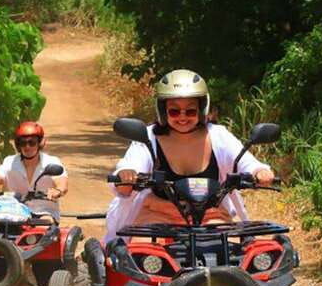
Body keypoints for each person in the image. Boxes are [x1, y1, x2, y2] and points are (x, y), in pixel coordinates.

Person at [104, 69, 274, 243]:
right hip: (157, 217)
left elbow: (245, 161)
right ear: (163, 110)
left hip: (210, 218)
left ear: (202, 109)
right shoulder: (148, 138)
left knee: (233, 252)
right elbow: (132, 164)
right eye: (174, 111)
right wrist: (127, 175)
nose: (183, 117)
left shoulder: (219, 136)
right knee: (142, 254)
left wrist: (259, 171)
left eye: (190, 111)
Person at [0, 121, 68, 221]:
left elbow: (62, 183)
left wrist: (57, 191)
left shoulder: (51, 162)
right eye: (23, 143)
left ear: (39, 143)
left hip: (42, 212)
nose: (27, 147)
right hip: (11, 211)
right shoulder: (10, 163)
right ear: (18, 145)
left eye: (32, 142)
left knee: (44, 226)